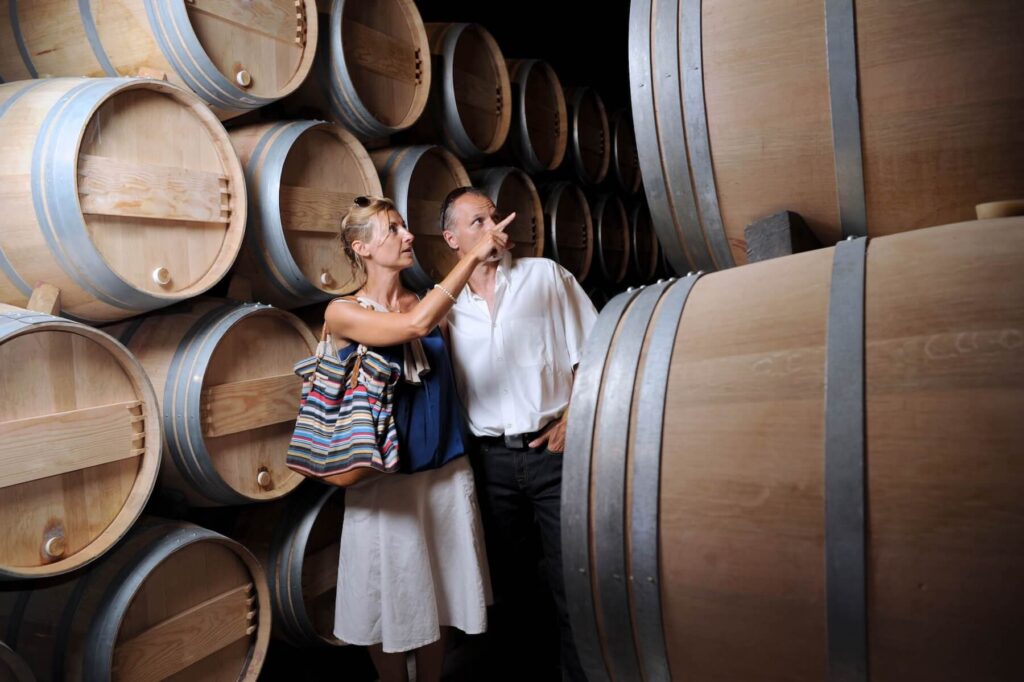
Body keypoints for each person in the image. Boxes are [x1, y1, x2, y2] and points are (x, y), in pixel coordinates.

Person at [325, 195, 516, 682]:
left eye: (405, 226)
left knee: (441, 594)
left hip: (446, 473)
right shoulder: (343, 313)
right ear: (361, 248)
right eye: (392, 230)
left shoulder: (427, 301)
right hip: (385, 484)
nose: (407, 236)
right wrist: (472, 253)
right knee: (383, 596)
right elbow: (413, 326)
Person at [440, 187, 598, 681]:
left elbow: (596, 352)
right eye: (477, 222)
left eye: (494, 217)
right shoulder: (444, 309)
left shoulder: (544, 276)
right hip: (492, 463)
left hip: (554, 454)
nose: (493, 228)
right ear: (452, 239)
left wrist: (574, 416)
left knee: (571, 579)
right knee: (511, 588)